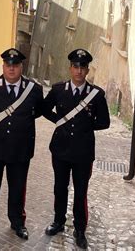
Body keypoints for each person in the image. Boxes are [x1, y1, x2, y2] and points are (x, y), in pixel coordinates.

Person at [43, 48, 110, 249]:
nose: (79, 71)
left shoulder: (96, 95)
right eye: (75, 67)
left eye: (83, 68)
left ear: (87, 70)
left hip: (83, 152)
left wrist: (85, 127)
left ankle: (80, 229)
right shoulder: (58, 90)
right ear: (70, 68)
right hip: (60, 149)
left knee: (81, 191)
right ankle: (58, 221)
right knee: (59, 187)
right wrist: (59, 121)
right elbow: (44, 109)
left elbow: (105, 122)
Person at [0, 48, 43, 240]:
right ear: (3, 66)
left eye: (15, 65)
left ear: (21, 67)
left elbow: (37, 112)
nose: (11, 69)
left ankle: (17, 222)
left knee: (18, 186)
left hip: (20, 148)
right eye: (8, 65)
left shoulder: (34, 90)